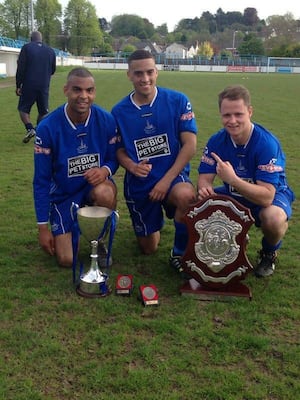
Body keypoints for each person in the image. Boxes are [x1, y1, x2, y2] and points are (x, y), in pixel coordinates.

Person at [111, 49, 198, 274]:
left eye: (150, 72)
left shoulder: (178, 101)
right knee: (148, 248)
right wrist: (131, 166)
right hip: (140, 184)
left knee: (187, 197)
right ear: (129, 75)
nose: (145, 78)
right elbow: (118, 150)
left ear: (157, 72)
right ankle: (152, 224)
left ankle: (178, 253)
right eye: (138, 73)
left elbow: (190, 145)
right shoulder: (119, 111)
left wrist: (165, 182)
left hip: (172, 177)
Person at [197, 84, 295, 278]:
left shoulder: (266, 143)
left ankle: (269, 252)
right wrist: (204, 190)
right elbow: (204, 180)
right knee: (197, 203)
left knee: (273, 218)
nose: (232, 121)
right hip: (235, 194)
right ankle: (228, 243)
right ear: (220, 114)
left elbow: (266, 196)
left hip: (272, 195)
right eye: (226, 115)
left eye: (238, 114)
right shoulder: (216, 141)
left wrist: (232, 179)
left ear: (250, 112)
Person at [33, 67, 118, 268]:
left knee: (105, 192)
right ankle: (76, 228)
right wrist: (42, 228)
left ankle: (100, 240)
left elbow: (114, 159)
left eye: (89, 90)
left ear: (94, 92)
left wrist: (104, 170)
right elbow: (41, 181)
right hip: (64, 194)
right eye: (77, 90)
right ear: (66, 90)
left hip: (93, 189)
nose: (84, 96)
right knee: (66, 259)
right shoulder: (47, 127)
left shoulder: (106, 119)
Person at [16, 31, 56, 144]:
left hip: (29, 84)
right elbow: (53, 70)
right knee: (43, 111)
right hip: (44, 85)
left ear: (31, 39)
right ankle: (38, 130)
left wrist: (18, 85)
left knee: (23, 108)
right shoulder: (50, 50)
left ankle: (30, 129)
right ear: (41, 39)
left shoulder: (26, 48)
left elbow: (21, 67)